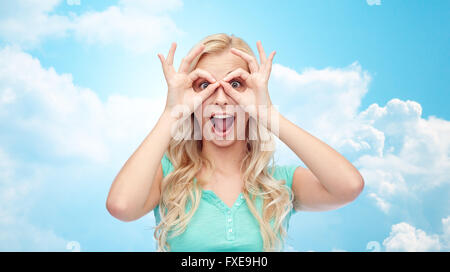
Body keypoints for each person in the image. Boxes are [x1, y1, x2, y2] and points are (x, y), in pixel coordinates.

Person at [106, 33, 365, 252]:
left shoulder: (278, 184)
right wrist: (171, 114)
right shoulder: (168, 176)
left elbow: (348, 186)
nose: (220, 98)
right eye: (204, 84)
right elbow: (121, 206)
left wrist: (268, 114)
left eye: (236, 84)